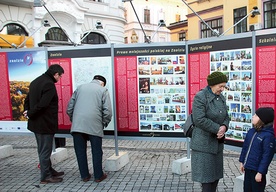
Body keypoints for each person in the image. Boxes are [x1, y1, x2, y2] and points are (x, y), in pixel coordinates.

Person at [23, 64, 64, 184]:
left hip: (36, 123)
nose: (59, 79)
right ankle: (45, 177)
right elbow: (43, 104)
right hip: (45, 124)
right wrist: (30, 113)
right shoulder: (49, 85)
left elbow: (27, 100)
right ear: (55, 74)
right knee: (45, 151)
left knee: (42, 149)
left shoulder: (36, 81)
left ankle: (49, 170)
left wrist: (27, 111)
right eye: (60, 76)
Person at [67, 75, 112, 182]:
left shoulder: (80, 88)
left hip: (78, 126)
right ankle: (98, 176)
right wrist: (103, 123)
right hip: (94, 125)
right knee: (96, 151)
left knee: (80, 151)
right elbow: (108, 111)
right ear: (102, 83)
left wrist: (75, 120)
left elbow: (69, 108)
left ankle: (85, 176)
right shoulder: (103, 90)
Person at [190, 71, 230, 192]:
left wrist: (224, 126)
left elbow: (227, 116)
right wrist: (217, 128)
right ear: (213, 84)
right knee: (207, 180)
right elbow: (199, 119)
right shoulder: (201, 97)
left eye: (224, 86)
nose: (222, 89)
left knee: (215, 177)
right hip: (203, 145)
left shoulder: (221, 98)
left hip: (217, 145)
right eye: (221, 86)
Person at [239, 107, 275, 192]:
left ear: (262, 120)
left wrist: (260, 172)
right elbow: (245, 147)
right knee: (247, 189)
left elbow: (267, 156)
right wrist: (242, 161)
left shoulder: (268, 136)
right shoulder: (251, 131)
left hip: (257, 171)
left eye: (255, 116)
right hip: (248, 168)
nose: (252, 116)